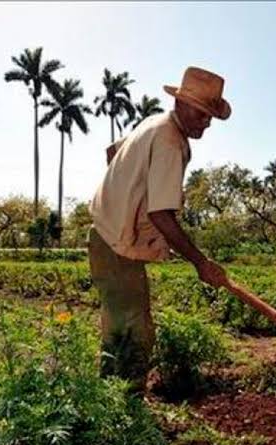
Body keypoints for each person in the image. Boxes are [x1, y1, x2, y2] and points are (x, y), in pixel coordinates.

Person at [88, 66, 231, 393]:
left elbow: (112, 152)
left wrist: (125, 191)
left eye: (210, 117)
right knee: (134, 335)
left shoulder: (153, 122)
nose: (206, 122)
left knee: (118, 329)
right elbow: (161, 215)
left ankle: (111, 404)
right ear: (181, 103)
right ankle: (125, 411)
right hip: (116, 245)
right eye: (201, 113)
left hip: (106, 235)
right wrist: (201, 262)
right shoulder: (170, 141)